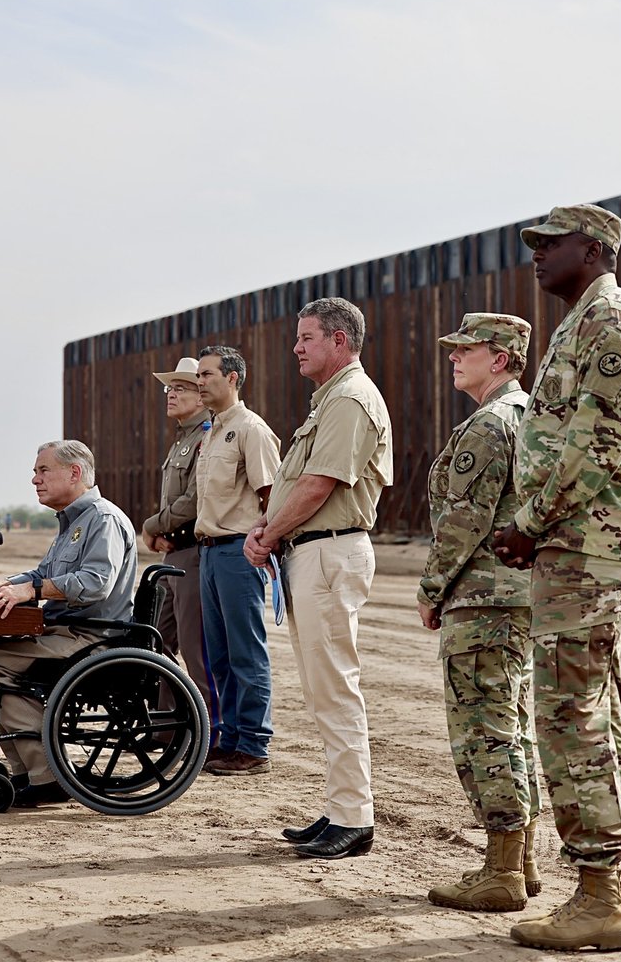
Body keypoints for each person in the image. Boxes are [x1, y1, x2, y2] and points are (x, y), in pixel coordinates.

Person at [494, 204, 621, 952]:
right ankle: (601, 889)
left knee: (570, 717)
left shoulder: (608, 320)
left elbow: (600, 439)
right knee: (583, 712)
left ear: (596, 248)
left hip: (583, 548)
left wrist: (533, 520)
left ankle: (601, 896)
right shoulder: (580, 323)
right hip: (571, 546)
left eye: (553, 243)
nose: (538, 254)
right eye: (535, 245)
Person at [244, 297, 393, 859]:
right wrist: (269, 529)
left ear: (339, 340)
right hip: (313, 552)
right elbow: (298, 486)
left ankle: (353, 818)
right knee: (322, 690)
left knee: (334, 689)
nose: (296, 348)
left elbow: (318, 485)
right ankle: (340, 809)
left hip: (330, 552)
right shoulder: (330, 399)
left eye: (307, 337)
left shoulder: (350, 399)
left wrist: (268, 534)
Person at [417, 313, 542, 912]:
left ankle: (502, 872)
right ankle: (523, 860)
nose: (453, 356)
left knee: (483, 734)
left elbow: (465, 520)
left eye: (465, 349)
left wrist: (432, 588)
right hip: (517, 598)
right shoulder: (530, 417)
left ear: (500, 358)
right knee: (512, 728)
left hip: (484, 600)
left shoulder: (490, 424)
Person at [0, 439, 137, 806]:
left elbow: (95, 583)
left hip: (91, 638)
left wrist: (30, 590)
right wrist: (5, 586)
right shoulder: (73, 522)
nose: (35, 479)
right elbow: (42, 574)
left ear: (74, 473)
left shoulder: (103, 519)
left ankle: (47, 774)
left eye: (43, 470)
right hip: (66, 631)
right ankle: (27, 772)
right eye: (36, 472)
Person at [195, 345, 281, 776]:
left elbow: (272, 496)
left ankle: (253, 745)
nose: (199, 382)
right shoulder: (212, 432)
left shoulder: (251, 429)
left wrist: (265, 547)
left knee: (246, 652)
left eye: (207, 374)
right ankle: (229, 740)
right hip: (210, 552)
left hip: (237, 552)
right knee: (220, 655)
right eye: (198, 375)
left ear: (232, 378)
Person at [141, 356, 220, 742]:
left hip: (192, 554)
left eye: (181, 388)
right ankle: (166, 729)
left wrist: (152, 526)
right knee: (157, 642)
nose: (171, 394)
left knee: (195, 648)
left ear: (201, 396)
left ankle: (209, 735)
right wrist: (160, 535)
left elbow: (193, 500)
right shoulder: (182, 439)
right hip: (173, 553)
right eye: (169, 388)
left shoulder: (206, 436)